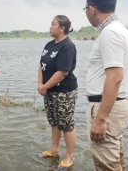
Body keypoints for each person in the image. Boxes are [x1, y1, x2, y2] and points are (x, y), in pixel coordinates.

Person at [84, 0, 128, 171]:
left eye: (85, 9)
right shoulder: (120, 30)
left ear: (92, 8)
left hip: (107, 108)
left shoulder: (110, 33)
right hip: (116, 105)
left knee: (107, 166)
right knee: (116, 162)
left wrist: (100, 119)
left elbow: (114, 77)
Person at [37, 15, 78, 169]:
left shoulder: (67, 46)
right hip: (49, 90)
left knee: (66, 123)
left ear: (62, 28)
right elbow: (41, 65)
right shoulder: (49, 44)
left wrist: (45, 86)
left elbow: (62, 72)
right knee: (54, 121)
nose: (50, 26)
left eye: (53, 24)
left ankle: (69, 156)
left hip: (64, 91)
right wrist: (40, 84)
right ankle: (54, 149)